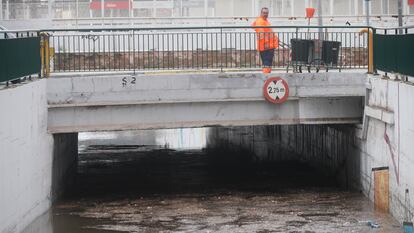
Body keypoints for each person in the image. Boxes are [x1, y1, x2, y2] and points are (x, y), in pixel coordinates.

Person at [252, 7, 279, 74]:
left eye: (267, 13)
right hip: (266, 46)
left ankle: (267, 76)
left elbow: (268, 32)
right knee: (267, 62)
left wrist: (276, 39)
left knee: (268, 63)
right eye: (264, 13)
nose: (265, 14)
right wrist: (266, 43)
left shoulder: (265, 21)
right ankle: (266, 77)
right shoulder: (260, 21)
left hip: (269, 46)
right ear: (261, 13)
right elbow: (262, 34)